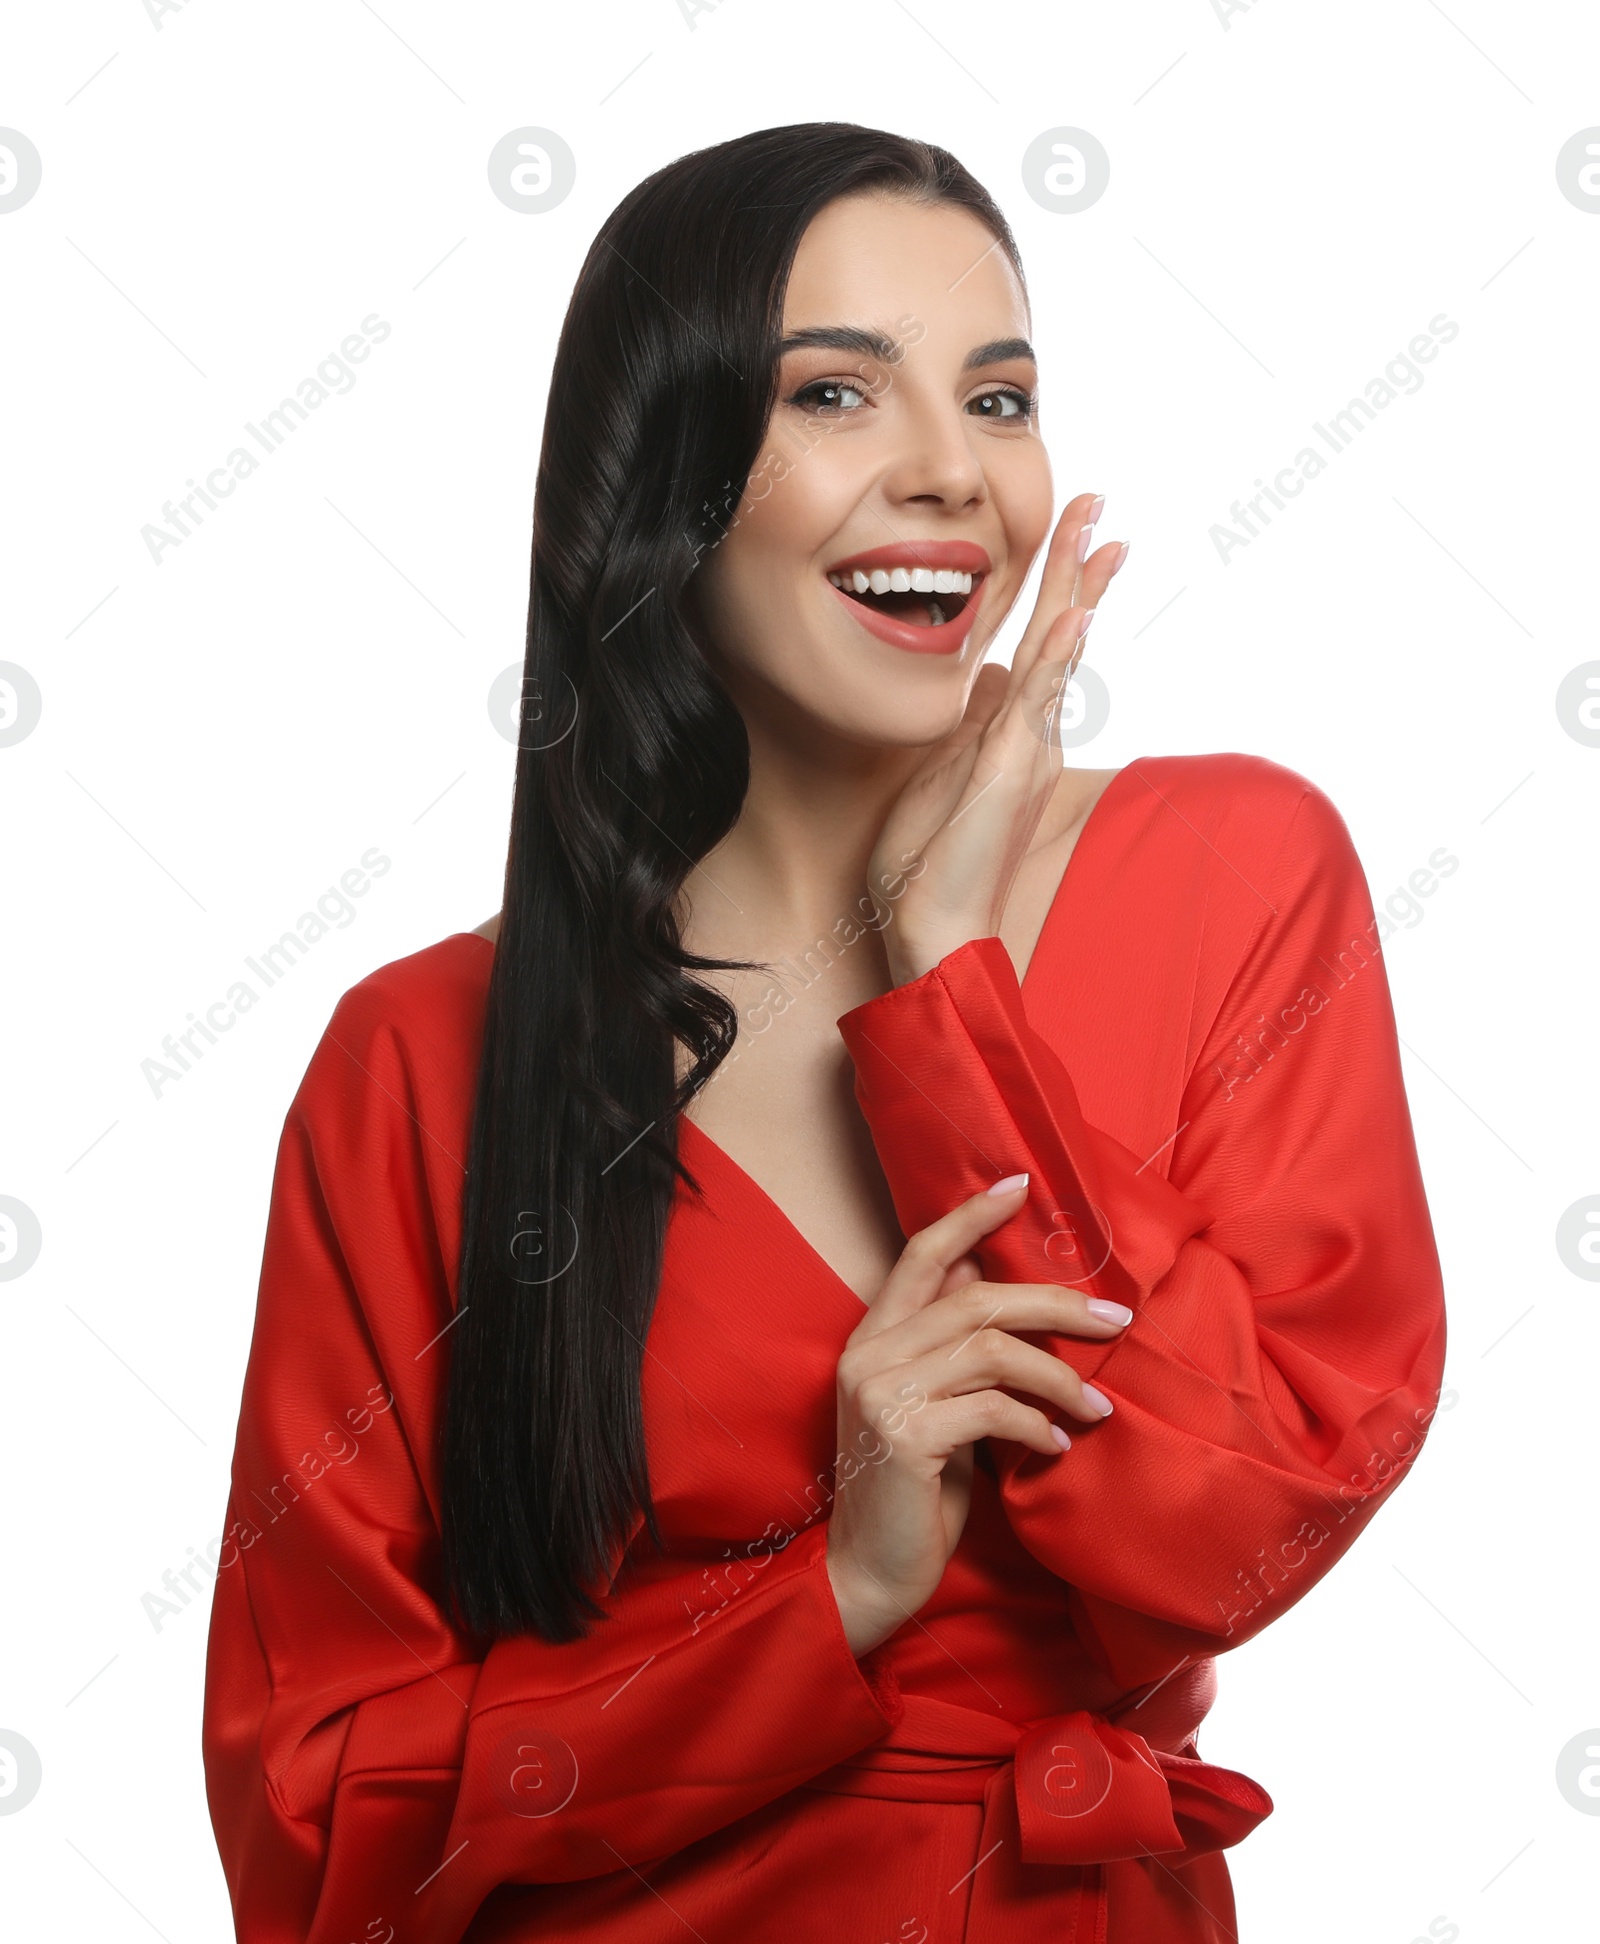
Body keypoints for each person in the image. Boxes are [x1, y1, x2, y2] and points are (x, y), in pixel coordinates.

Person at [202, 123, 1448, 1943]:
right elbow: (317, 1815)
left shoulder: (1241, 869)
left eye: (1001, 398)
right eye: (839, 396)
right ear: (667, 474)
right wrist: (831, 1600)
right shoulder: (420, 1059)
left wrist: (951, 993)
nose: (952, 471)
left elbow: (1232, 1524)